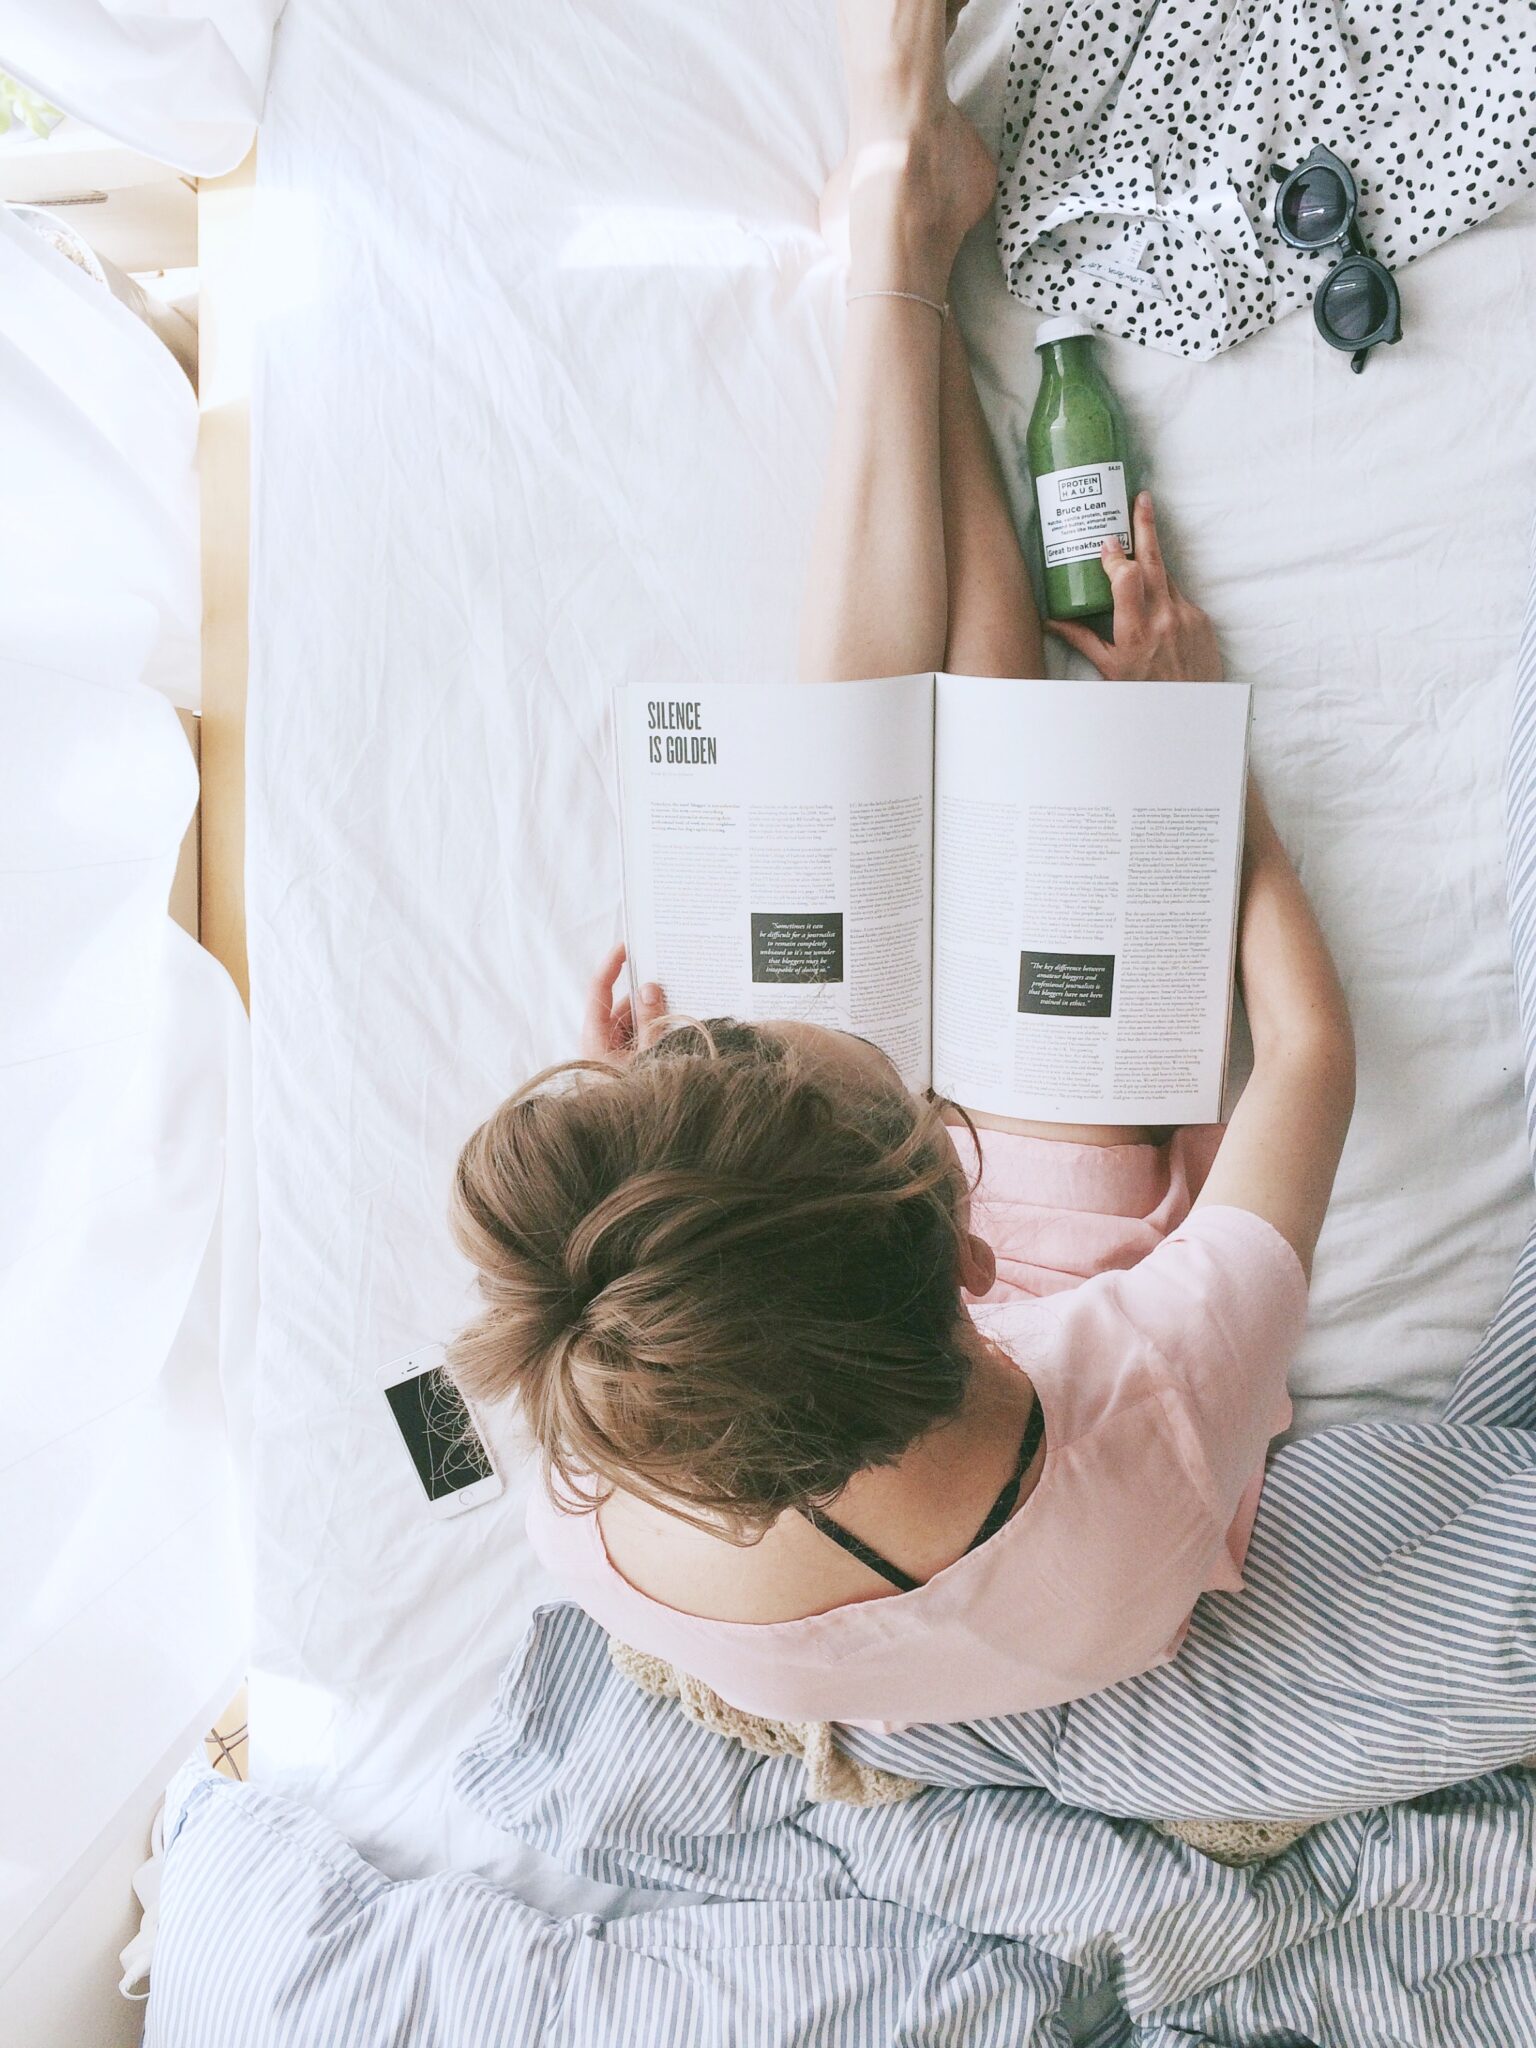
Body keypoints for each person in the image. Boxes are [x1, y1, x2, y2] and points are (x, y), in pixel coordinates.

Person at [444, 0, 1354, 1731]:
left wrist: (657, 1192)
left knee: (827, 814)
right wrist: (1200, 766)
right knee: (1037, 820)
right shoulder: (1137, 1406)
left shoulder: (570, 1421)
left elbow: (444, 1410)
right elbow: (1311, 1055)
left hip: (789, 1329)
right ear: (965, 1253)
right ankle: (906, 226)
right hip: (1046, 1404)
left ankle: (904, 231)